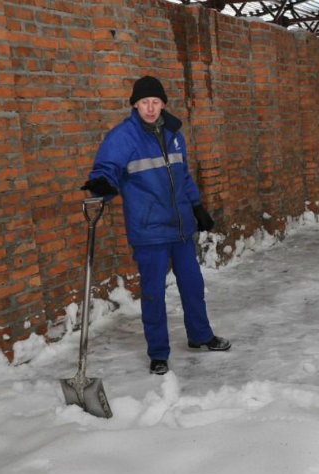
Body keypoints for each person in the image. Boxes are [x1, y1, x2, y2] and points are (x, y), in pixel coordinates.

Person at [81, 76, 230, 375]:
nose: (150, 108)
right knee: (153, 293)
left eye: (156, 102)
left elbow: (183, 175)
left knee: (192, 285)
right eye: (144, 103)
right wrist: (102, 183)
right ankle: (158, 352)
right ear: (135, 104)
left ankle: (200, 335)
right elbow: (107, 168)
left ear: (163, 104)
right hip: (148, 229)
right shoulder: (124, 136)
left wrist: (197, 206)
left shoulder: (174, 133)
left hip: (180, 227)